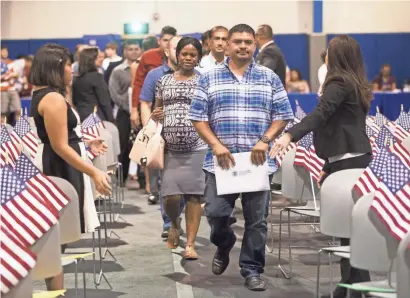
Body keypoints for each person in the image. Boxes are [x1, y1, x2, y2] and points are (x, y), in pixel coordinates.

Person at [188, 24, 294, 291]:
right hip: (220, 163)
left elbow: (283, 114)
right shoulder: (209, 78)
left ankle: (252, 269)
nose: (243, 46)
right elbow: (198, 117)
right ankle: (224, 243)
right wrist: (216, 145)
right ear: (227, 45)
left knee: (257, 221)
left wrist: (265, 140)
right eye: (238, 41)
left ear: (255, 45)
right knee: (216, 214)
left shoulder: (269, 77)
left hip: (257, 163)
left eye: (248, 41)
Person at [270, 35, 373, 298]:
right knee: (349, 229)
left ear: (335, 56)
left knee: (348, 229)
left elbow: (321, 114)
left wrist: (289, 134)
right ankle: (350, 285)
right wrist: (327, 164)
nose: (325, 55)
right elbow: (338, 124)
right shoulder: (356, 82)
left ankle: (355, 286)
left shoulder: (338, 82)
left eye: (328, 52)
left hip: (349, 159)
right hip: (352, 157)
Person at [28, 43, 111, 292]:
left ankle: (55, 292)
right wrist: (93, 170)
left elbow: (62, 137)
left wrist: (85, 142)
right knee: (55, 239)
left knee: (58, 238)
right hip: (59, 167)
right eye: (67, 65)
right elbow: (60, 146)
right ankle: (55, 294)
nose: (71, 71)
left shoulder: (48, 94)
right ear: (55, 68)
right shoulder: (52, 98)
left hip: (63, 163)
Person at [152, 37, 205, 260]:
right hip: (170, 149)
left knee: (194, 197)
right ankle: (175, 224)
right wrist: (156, 115)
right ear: (177, 55)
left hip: (198, 147)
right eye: (184, 53)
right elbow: (157, 109)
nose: (188, 58)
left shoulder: (204, 81)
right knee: (170, 197)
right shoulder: (163, 81)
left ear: (199, 58)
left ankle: (190, 245)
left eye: (193, 55)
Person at [139, 35, 185, 237]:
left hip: (189, 139)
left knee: (185, 184)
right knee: (166, 183)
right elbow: (145, 103)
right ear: (167, 51)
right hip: (162, 137)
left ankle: (177, 218)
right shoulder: (155, 75)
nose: (181, 52)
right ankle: (169, 222)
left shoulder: (197, 76)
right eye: (176, 48)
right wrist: (148, 132)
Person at [109, 41, 141, 185]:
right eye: (130, 49)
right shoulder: (118, 71)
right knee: (123, 146)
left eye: (136, 49)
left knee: (142, 145)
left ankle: (142, 178)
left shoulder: (144, 70)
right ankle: (121, 178)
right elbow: (114, 93)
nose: (134, 51)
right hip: (123, 112)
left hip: (142, 113)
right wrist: (129, 109)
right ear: (125, 52)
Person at [131, 26, 177, 128]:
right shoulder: (148, 56)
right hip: (149, 104)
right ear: (159, 41)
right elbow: (138, 83)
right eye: (165, 40)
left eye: (171, 41)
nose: (167, 43)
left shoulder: (180, 59)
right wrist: (134, 109)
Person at [72, 47, 114, 122]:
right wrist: (112, 121)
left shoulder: (76, 78)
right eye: (99, 57)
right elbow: (105, 102)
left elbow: (75, 100)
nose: (102, 59)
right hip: (96, 118)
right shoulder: (97, 77)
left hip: (81, 117)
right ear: (91, 59)